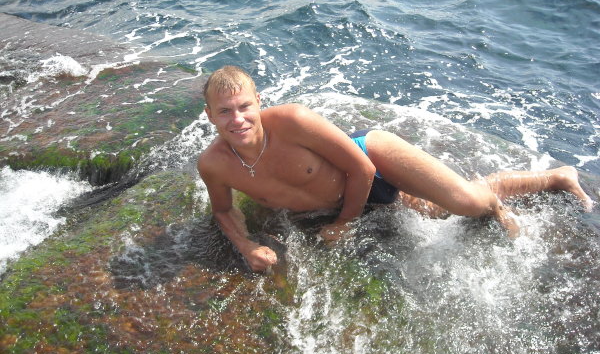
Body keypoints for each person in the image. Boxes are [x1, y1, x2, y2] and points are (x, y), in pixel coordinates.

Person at [197, 65, 594, 273]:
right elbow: (222, 211)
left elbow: (362, 168)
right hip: (350, 195)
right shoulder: (214, 165)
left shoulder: (293, 121)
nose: (238, 119)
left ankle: (540, 183)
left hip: (371, 159)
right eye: (225, 111)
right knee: (434, 211)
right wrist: (246, 246)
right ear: (210, 115)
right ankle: (541, 182)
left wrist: (346, 223)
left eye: (244, 106)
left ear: (259, 101)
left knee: (468, 204)